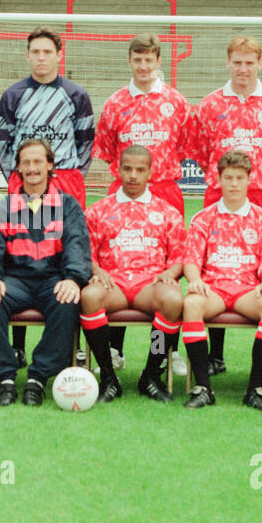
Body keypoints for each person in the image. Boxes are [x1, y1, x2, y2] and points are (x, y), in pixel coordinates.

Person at [92, 33, 194, 376]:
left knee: (167, 270)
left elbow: (184, 145)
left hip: (164, 189)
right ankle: (115, 348)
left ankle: (167, 350)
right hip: (124, 189)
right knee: (118, 259)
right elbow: (106, 149)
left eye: (149, 60)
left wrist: (157, 173)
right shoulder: (116, 102)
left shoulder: (176, 102)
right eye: (137, 59)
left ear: (159, 62)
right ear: (129, 61)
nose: (143, 66)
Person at [192, 35, 262, 375]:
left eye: (250, 63)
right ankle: (214, 354)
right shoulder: (209, 104)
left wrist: (258, 178)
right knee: (215, 264)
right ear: (228, 62)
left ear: (260, 64)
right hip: (219, 192)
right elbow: (201, 151)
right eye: (238, 62)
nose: (243, 69)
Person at [0, 26, 95, 366]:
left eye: (47, 52)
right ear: (27, 56)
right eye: (35, 52)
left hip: (64, 176)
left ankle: (68, 345)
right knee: (18, 256)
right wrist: (22, 173)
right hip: (24, 177)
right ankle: (17, 345)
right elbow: (2, 141)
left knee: (65, 255)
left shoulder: (76, 95)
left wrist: (63, 172)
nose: (41, 58)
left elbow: (85, 142)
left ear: (59, 55)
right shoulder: (13, 94)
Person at [0, 139, 92, 407]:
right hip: (15, 279)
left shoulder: (68, 205)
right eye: (26, 162)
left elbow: (77, 244)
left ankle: (37, 379)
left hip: (53, 279)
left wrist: (73, 279)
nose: (32, 167)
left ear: (50, 165)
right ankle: (4, 378)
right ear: (18, 168)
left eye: (38, 161)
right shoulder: (3, 207)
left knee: (68, 301)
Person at [179, 151, 262, 412]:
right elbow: (191, 259)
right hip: (213, 287)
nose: (234, 184)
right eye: (228, 178)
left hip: (248, 288)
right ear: (218, 180)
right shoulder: (204, 218)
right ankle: (203, 387)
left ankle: (255, 388)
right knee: (191, 305)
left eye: (240, 178)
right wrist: (194, 280)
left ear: (249, 180)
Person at [79, 146, 185, 404]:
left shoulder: (167, 212)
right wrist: (97, 270)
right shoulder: (98, 210)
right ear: (117, 170)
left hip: (149, 283)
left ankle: (151, 373)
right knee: (90, 297)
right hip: (112, 282)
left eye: (140, 170)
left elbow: (181, 255)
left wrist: (169, 273)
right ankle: (107, 376)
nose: (133, 176)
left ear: (150, 172)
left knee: (172, 301)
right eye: (127, 169)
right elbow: (85, 250)